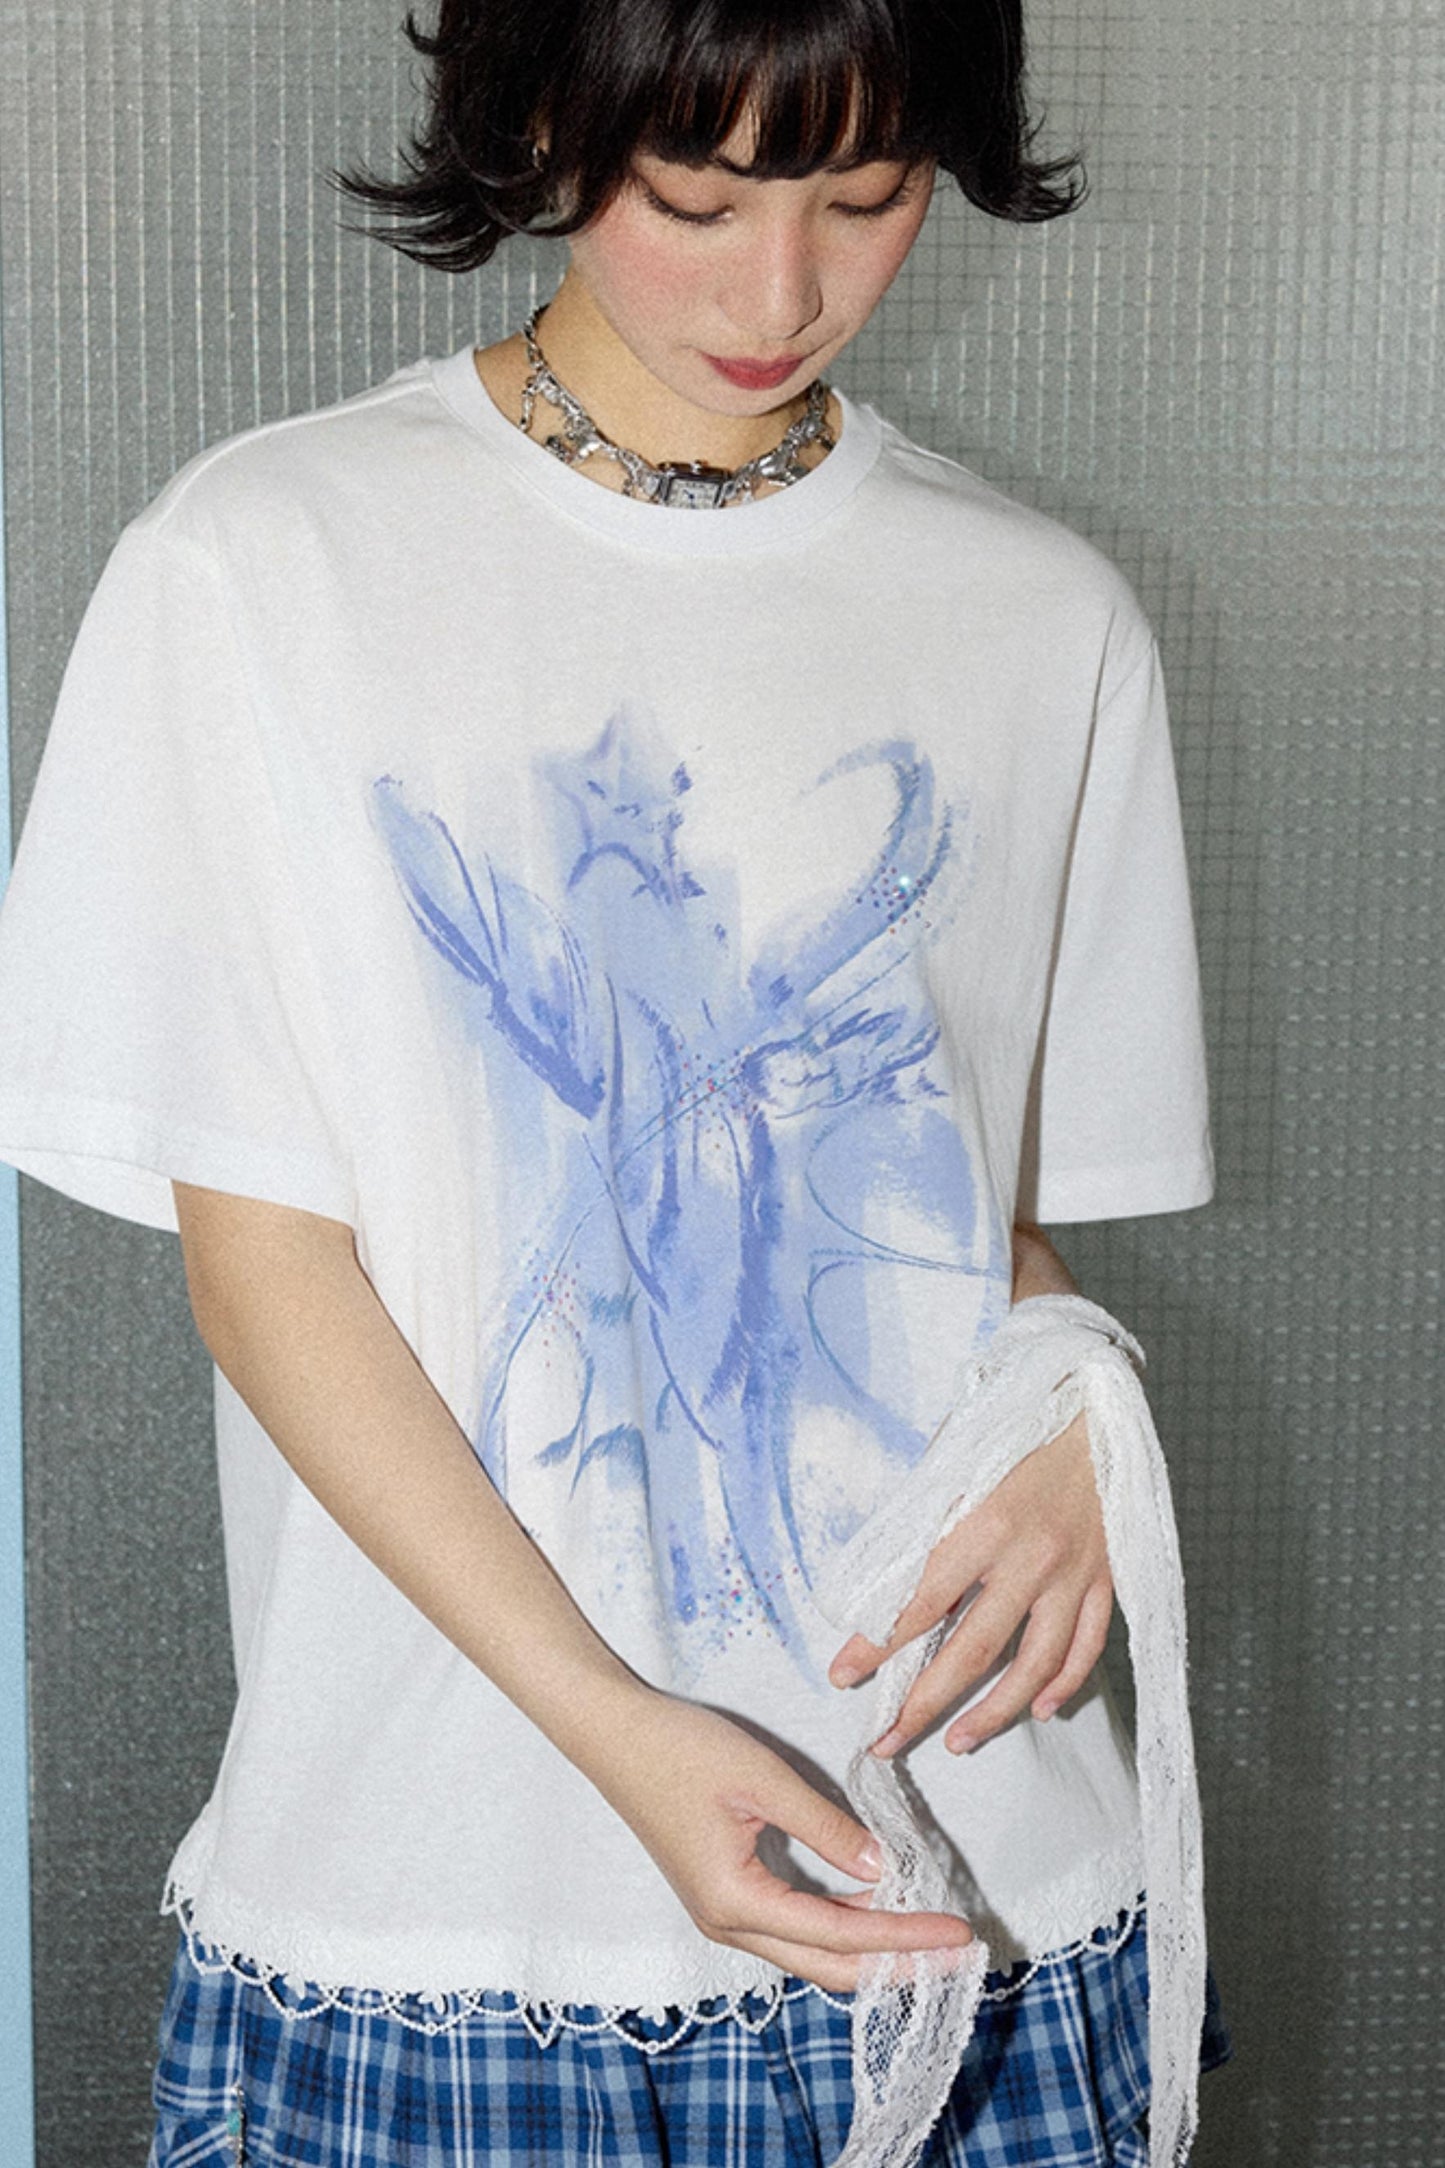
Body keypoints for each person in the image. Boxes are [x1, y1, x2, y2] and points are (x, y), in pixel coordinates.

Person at [0, 1, 1230, 2161]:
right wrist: (614, 1727)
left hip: (970, 1874)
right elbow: (263, 1265)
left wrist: (1072, 1407)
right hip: (456, 1893)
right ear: (548, 128)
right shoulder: (264, 566)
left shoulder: (1042, 616)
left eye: (867, 197)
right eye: (699, 198)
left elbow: (975, 1213)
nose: (786, 290)